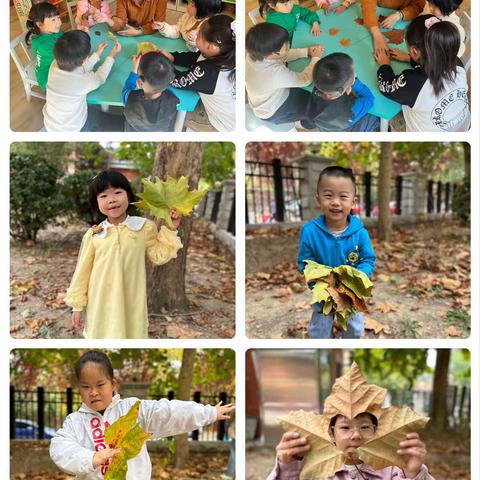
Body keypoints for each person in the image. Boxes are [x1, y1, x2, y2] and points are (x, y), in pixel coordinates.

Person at [50, 350, 235, 479]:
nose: (93, 392)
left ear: (113, 384)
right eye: (86, 387)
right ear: (79, 389)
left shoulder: (132, 410)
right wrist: (91, 458)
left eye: (100, 385)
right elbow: (60, 448)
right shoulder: (75, 422)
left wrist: (209, 412)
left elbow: (168, 413)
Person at [64, 171, 183, 338]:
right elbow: (82, 273)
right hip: (100, 300)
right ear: (96, 202)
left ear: (128, 194)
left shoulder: (144, 227)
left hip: (131, 299)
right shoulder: (94, 234)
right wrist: (77, 306)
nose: (112, 199)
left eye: (118, 192)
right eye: (103, 196)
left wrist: (172, 228)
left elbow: (158, 256)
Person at [267, 364, 434, 480]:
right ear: (331, 432)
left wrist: (413, 473)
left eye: (364, 427)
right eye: (345, 427)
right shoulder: (314, 469)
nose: (356, 435)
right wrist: (286, 467)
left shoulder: (393, 468)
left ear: (376, 430)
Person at [297, 166, 376, 338]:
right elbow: (304, 261)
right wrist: (317, 281)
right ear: (318, 199)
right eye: (328, 195)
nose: (335, 202)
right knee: (319, 329)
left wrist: (359, 277)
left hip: (350, 292)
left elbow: (368, 259)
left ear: (353, 202)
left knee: (354, 327)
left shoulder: (360, 233)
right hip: (324, 290)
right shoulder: (310, 232)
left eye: (343, 196)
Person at [375, 14, 470, 132]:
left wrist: (384, 64)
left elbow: (385, 86)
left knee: (389, 117)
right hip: (463, 126)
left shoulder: (412, 82)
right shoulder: (456, 61)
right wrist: (409, 59)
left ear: (414, 51)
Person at [160, 15, 236, 131]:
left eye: (199, 34)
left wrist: (161, 65)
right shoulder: (226, 53)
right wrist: (172, 57)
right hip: (230, 110)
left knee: (173, 114)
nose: (195, 34)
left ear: (210, 46)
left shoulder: (208, 72)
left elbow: (177, 81)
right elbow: (195, 57)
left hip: (221, 125)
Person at [43, 30, 123, 132]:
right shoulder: (83, 81)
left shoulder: (55, 64)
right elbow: (100, 76)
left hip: (51, 124)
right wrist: (112, 55)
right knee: (111, 122)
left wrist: (97, 54)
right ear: (85, 59)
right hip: (72, 128)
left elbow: (78, 69)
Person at [245, 23, 324, 124]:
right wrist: (316, 58)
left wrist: (306, 52)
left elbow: (282, 56)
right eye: (286, 47)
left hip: (263, 98)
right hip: (273, 110)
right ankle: (308, 124)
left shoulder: (254, 52)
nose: (288, 46)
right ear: (273, 53)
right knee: (311, 107)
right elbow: (305, 80)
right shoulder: (273, 73)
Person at [301, 53, 380, 131]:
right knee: (376, 116)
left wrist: (350, 80)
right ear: (348, 90)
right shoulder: (352, 109)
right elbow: (369, 98)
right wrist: (355, 82)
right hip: (351, 126)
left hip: (324, 125)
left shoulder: (318, 86)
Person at [122, 51, 179, 131]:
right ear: (169, 83)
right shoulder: (172, 98)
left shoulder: (130, 97)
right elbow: (165, 85)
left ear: (138, 82)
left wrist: (135, 68)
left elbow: (127, 87)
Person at [361, 0, 425, 55]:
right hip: (379, 7)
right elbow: (368, 5)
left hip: (403, 15)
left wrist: (400, 15)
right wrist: (377, 35)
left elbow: (418, 6)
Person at [153, 0, 222, 51]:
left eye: (192, 5)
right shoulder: (188, 16)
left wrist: (193, 41)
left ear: (202, 10)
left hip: (193, 54)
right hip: (180, 46)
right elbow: (177, 30)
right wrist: (163, 27)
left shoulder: (208, 27)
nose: (188, 5)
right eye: (190, 2)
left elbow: (197, 50)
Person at [25, 2, 63, 92]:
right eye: (53, 19)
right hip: (48, 77)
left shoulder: (55, 32)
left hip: (58, 67)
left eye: (58, 17)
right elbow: (65, 59)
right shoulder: (43, 45)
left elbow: (66, 40)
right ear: (40, 24)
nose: (59, 22)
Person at [93, 0, 167, 36]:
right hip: (130, 29)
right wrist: (107, 19)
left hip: (151, 32)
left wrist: (140, 31)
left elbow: (159, 23)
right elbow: (120, 22)